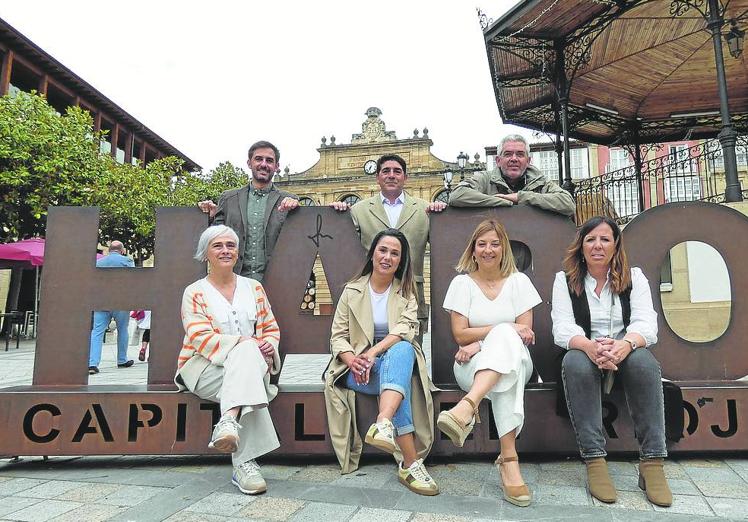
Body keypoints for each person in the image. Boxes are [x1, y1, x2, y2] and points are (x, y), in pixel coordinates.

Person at [551, 216, 672, 507]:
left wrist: (624, 345)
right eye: (590, 239)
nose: (597, 246)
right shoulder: (565, 280)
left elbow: (646, 325)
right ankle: (595, 459)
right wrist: (591, 348)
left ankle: (652, 462)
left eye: (605, 239)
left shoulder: (635, 277)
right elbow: (563, 328)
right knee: (574, 362)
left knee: (644, 362)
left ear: (616, 245)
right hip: (585, 352)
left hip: (625, 352)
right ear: (581, 247)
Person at [324, 228, 439, 496]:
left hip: (387, 359)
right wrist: (354, 361)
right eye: (383, 250)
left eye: (395, 253)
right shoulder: (352, 291)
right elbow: (337, 336)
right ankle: (409, 463)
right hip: (355, 370)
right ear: (373, 253)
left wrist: (373, 352)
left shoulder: (407, 292)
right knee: (399, 384)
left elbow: (405, 329)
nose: (387, 257)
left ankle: (384, 422)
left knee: (401, 349)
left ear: (401, 260)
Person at [440, 219, 541, 507]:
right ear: (473, 250)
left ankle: (467, 406)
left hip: (515, 358)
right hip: (469, 366)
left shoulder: (519, 282)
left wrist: (482, 341)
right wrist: (506, 325)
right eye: (482, 244)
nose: (488, 249)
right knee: (507, 372)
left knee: (510, 358)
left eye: (495, 243)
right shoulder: (462, 283)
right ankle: (509, 458)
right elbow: (460, 334)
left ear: (504, 248)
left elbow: (524, 335)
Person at [175, 225, 281, 495]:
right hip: (203, 369)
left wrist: (269, 345)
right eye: (218, 245)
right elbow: (199, 337)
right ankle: (245, 462)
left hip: (250, 366)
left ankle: (228, 424)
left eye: (230, 246)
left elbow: (270, 329)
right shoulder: (194, 292)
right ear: (205, 254)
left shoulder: (254, 288)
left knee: (247, 357)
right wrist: (246, 343)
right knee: (246, 356)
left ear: (237, 252)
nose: (225, 251)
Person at [331, 154, 446, 344]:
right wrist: (336, 215)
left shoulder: (425, 210)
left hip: (410, 292)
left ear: (405, 177)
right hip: (371, 293)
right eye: (386, 171)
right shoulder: (358, 210)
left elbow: (443, 247)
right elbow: (342, 246)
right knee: (366, 351)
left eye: (397, 171)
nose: (391, 175)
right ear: (377, 177)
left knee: (409, 354)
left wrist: (443, 216)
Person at [198, 140, 299, 281]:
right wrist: (208, 217)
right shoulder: (228, 199)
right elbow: (214, 238)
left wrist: (338, 208)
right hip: (233, 282)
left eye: (269, 160)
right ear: (249, 163)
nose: (263, 164)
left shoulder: (290, 201)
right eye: (258, 159)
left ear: (276, 166)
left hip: (275, 284)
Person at [448, 134, 575, 217]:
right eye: (508, 154)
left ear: (528, 161)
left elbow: (568, 203)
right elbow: (457, 194)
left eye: (520, 154)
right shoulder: (485, 179)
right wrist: (502, 201)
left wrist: (520, 197)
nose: (514, 159)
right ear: (498, 160)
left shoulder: (541, 182)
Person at [88, 240, 135, 374]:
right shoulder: (127, 262)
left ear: (109, 250)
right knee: (122, 330)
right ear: (122, 250)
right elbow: (133, 281)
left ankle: (92, 363)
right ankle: (121, 359)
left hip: (101, 301)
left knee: (97, 331)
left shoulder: (98, 263)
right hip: (122, 301)